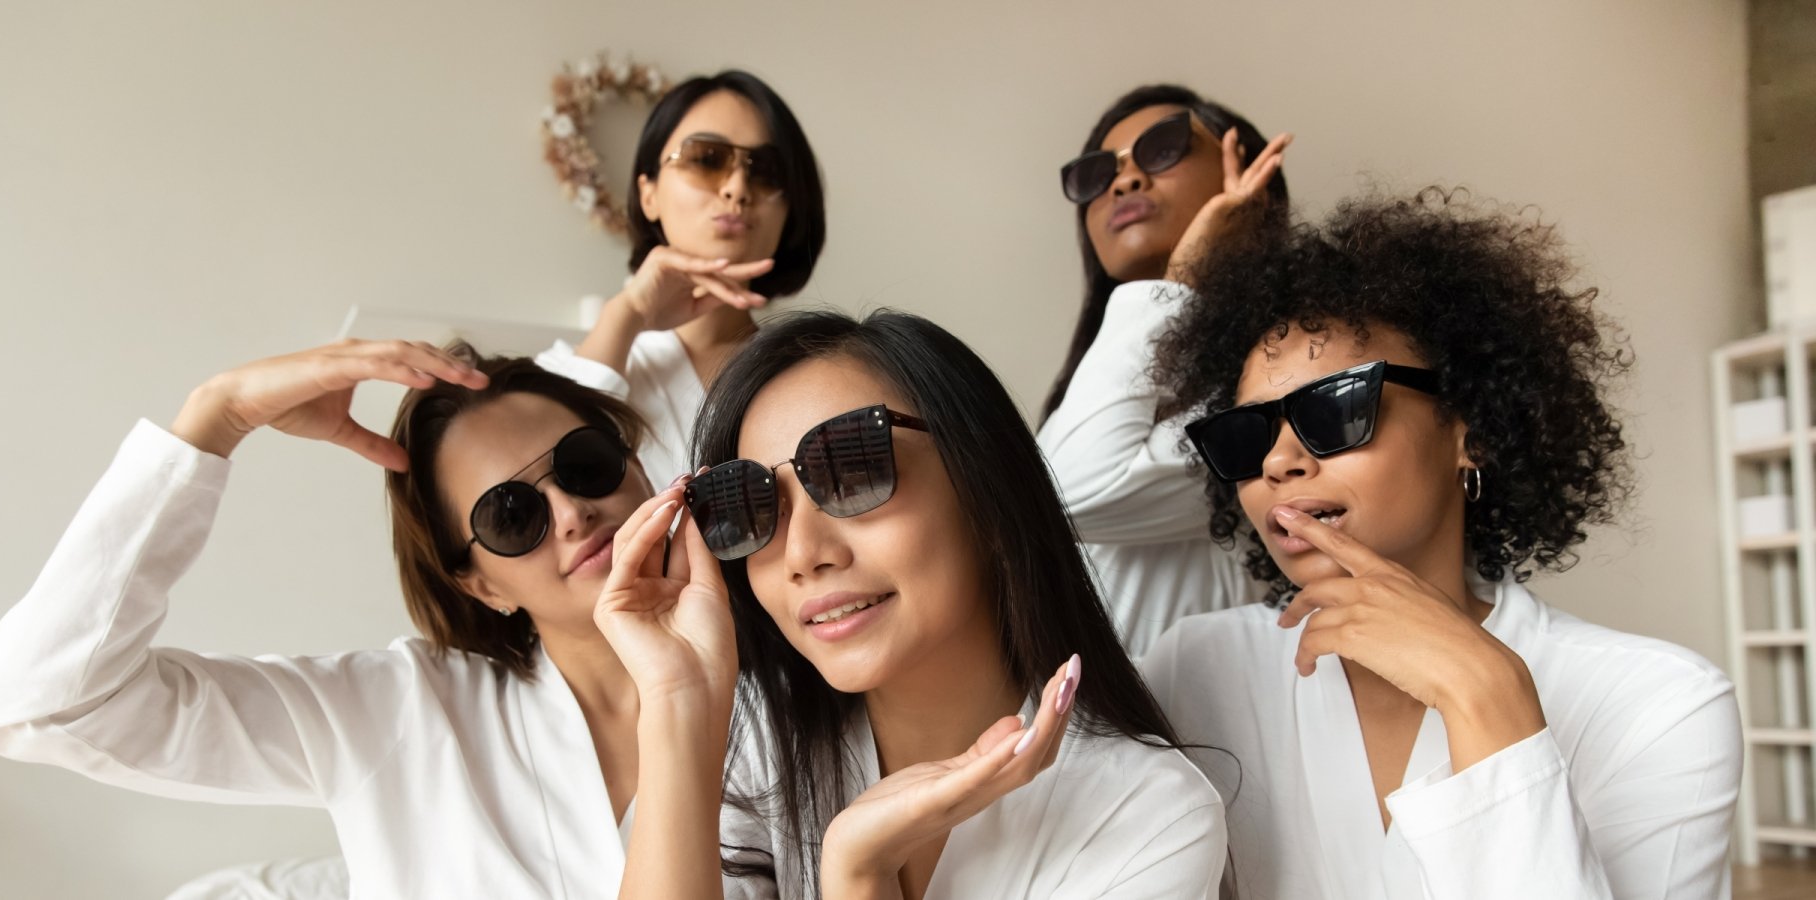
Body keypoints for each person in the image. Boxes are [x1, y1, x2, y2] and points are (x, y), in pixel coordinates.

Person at [1140, 188, 1742, 898]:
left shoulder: (1657, 703)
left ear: (1471, 431)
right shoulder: (1196, 669)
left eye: (1335, 410)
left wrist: (1486, 696)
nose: (1279, 462)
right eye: (1245, 434)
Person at [0, 339, 677, 898]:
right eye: (511, 516)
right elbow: (43, 703)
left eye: (586, 465)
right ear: (480, 584)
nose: (573, 514)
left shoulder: (781, 680)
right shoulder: (405, 711)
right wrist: (218, 417)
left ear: (640, 470)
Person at [594, 311, 1228, 898]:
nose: (802, 553)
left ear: (985, 492)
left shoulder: (1149, 813)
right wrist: (678, 701)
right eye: (752, 505)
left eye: (855, 470)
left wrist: (858, 871)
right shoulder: (755, 746)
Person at [1035, 84, 1292, 653]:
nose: (1123, 182)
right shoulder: (1097, 375)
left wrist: (1187, 274)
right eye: (1098, 174)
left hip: (1207, 735)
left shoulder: (1283, 381)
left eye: (1163, 148)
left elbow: (1063, 495)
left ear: (1248, 179)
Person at [540, 69, 827, 489]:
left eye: (766, 171)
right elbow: (548, 473)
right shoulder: (567, 369)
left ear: (791, 210)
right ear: (648, 194)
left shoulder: (812, 373)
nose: (737, 186)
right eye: (707, 159)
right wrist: (628, 313)